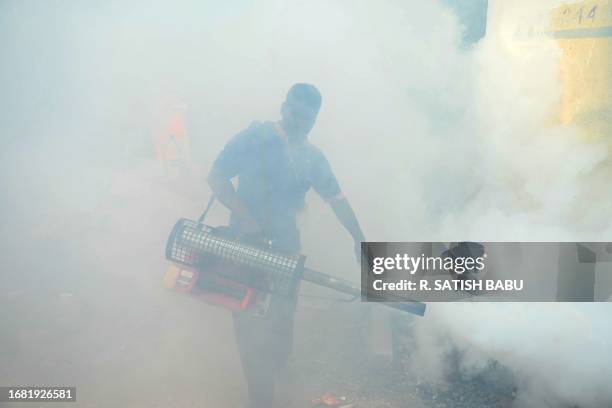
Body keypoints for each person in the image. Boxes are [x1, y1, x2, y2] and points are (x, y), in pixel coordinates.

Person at [207, 83, 366, 407]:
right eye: (295, 114)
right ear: (283, 108)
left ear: (314, 121)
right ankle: (260, 398)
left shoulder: (312, 159)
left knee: (281, 322)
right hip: (245, 247)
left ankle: (281, 374)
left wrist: (358, 238)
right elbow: (217, 177)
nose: (299, 123)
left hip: (286, 251)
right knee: (250, 326)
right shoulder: (253, 138)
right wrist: (246, 218)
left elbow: (338, 201)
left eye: (307, 119)